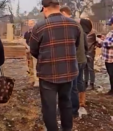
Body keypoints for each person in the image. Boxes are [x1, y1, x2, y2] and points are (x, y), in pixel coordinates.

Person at [30, 0, 80, 131]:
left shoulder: (39, 27)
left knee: (49, 107)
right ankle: (66, 128)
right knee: (66, 102)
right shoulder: (74, 25)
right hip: (68, 71)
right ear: (58, 7)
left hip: (47, 73)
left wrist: (46, 59)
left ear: (45, 9)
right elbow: (76, 45)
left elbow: (34, 50)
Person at [60, 6, 87, 117]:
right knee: (79, 82)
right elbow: (85, 42)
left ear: (64, 13)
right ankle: (82, 103)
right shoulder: (78, 25)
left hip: (75, 60)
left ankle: (73, 110)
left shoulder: (68, 25)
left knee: (72, 86)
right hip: (82, 59)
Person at [84, 20, 101, 90]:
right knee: (85, 68)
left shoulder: (93, 32)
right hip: (84, 52)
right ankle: (85, 82)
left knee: (90, 68)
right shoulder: (83, 31)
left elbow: (98, 42)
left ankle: (92, 83)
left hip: (90, 52)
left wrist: (96, 45)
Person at [101, 17, 113, 95]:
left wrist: (103, 41)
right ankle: (112, 89)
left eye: (111, 24)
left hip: (111, 58)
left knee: (112, 74)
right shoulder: (110, 32)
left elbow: (110, 43)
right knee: (110, 75)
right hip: (108, 58)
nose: (110, 26)